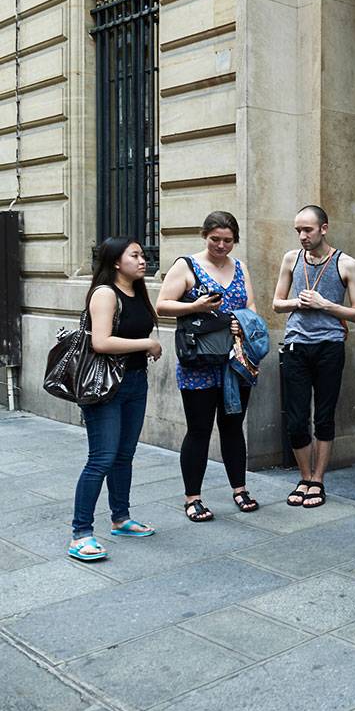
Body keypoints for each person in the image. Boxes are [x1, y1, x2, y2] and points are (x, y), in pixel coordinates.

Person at [157, 212, 261, 522]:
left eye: (228, 240)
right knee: (199, 430)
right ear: (205, 235)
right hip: (199, 362)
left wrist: (244, 322)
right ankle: (193, 498)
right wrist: (195, 306)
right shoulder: (186, 266)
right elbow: (162, 305)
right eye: (215, 239)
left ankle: (240, 489)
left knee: (233, 427)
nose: (221, 245)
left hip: (235, 363)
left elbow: (250, 305)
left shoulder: (240, 267)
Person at [68, 237, 162, 561]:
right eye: (134, 255)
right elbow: (102, 342)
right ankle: (81, 533)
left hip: (135, 382)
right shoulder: (105, 293)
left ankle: (121, 518)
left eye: (142, 254)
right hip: (105, 387)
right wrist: (147, 344)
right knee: (101, 458)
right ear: (116, 262)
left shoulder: (138, 292)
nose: (142, 260)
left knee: (124, 456)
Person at [272, 205, 355, 508]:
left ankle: (318, 480)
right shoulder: (291, 258)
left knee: (324, 416)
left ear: (324, 228)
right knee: (297, 420)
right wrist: (298, 302)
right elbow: (276, 303)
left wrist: (324, 304)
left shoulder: (346, 263)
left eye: (307, 230)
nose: (302, 236)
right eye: (298, 230)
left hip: (329, 346)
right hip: (296, 345)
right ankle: (304, 477)